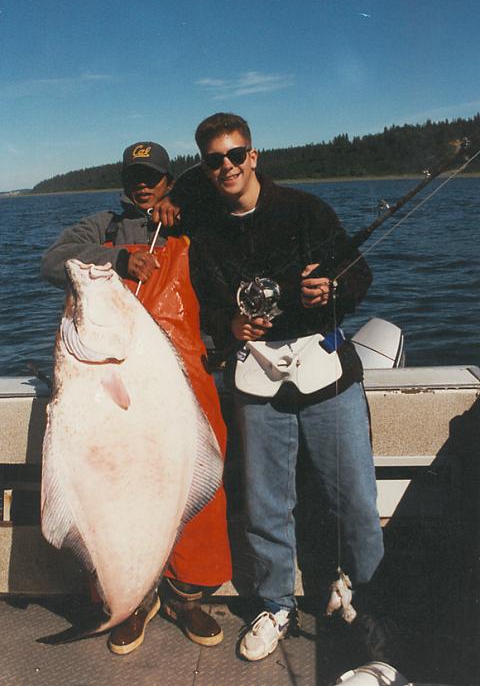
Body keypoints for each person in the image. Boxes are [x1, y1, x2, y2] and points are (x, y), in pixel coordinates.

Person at [181, 113, 385, 662]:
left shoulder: (306, 210)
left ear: (254, 155)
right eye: (213, 159)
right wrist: (231, 324)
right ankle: (275, 604)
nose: (226, 166)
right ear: (203, 167)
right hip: (256, 376)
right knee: (267, 504)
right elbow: (208, 303)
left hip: (325, 372)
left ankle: (365, 598)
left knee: (356, 501)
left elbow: (358, 275)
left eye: (235, 153)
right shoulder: (205, 232)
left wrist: (330, 293)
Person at [41, 141, 232, 655]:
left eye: (153, 176)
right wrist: (119, 258)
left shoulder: (195, 217)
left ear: (169, 177)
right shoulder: (100, 226)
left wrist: (186, 204)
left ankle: (185, 596)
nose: (143, 185)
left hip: (187, 377)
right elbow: (53, 262)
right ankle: (132, 598)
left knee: (194, 497)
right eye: (134, 176)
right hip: (117, 382)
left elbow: (226, 192)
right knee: (116, 493)